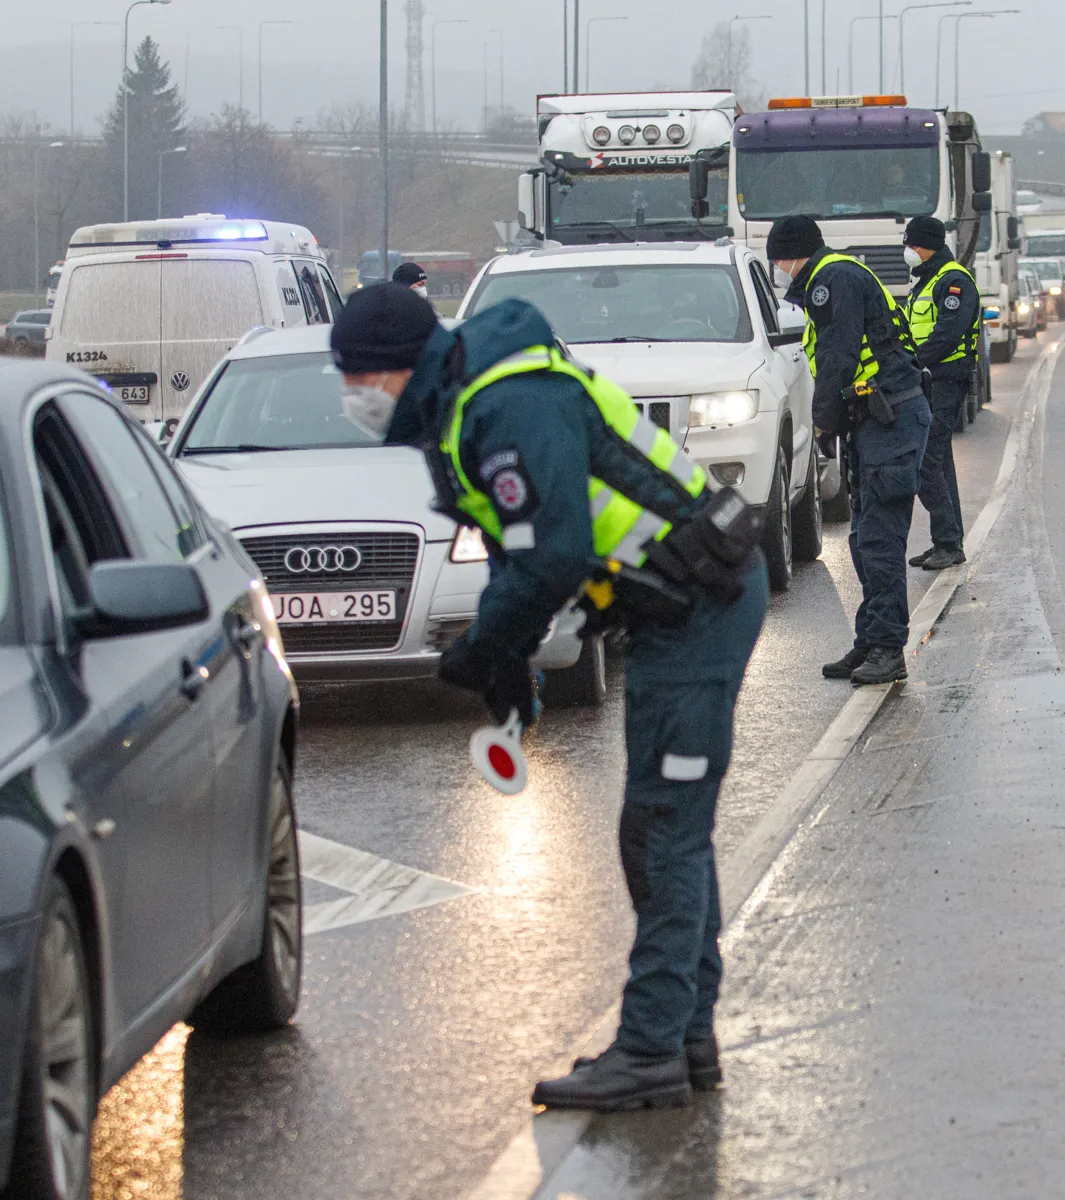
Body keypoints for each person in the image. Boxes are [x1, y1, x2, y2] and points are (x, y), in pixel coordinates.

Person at [328, 284, 768, 1111]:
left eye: (356, 379)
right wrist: (511, 670)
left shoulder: (509, 404)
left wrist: (487, 644)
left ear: (398, 370)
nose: (351, 397)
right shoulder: (465, 408)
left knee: (665, 832)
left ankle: (651, 1051)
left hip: (702, 607)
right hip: (675, 608)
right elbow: (519, 548)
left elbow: (553, 554)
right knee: (663, 832)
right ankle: (683, 1037)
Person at [767, 214, 930, 686]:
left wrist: (821, 424)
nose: (779, 268)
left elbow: (838, 356)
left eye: (778, 259)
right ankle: (872, 637)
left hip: (891, 420)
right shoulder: (834, 275)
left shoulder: (831, 280)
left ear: (790, 255)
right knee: (863, 540)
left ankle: (888, 648)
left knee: (879, 541)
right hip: (877, 422)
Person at [902, 215, 978, 572]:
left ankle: (948, 541)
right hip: (930, 381)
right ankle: (947, 542)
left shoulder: (954, 281)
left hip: (947, 380)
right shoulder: (927, 281)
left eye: (911, 244)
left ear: (926, 245)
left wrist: (913, 363)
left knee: (926, 459)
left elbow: (948, 334)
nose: (908, 251)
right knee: (939, 461)